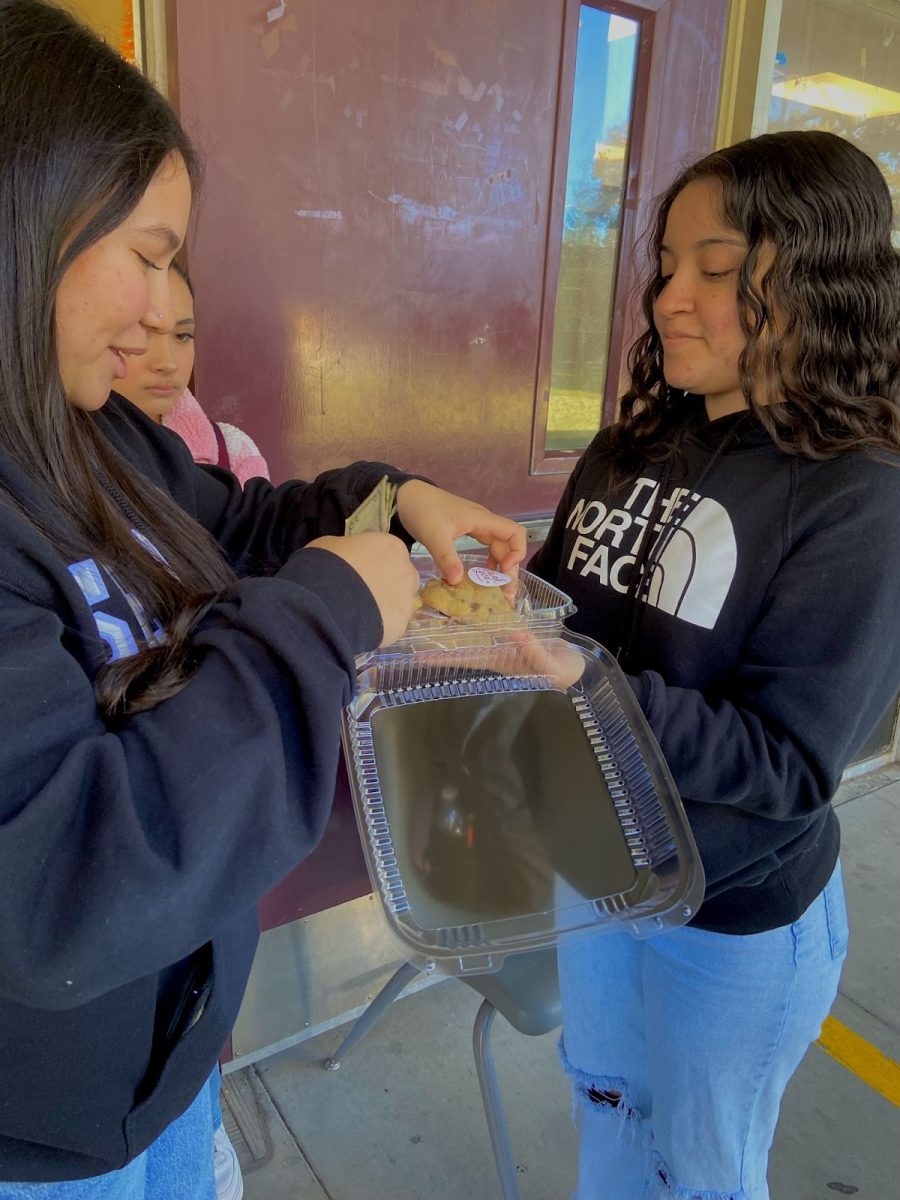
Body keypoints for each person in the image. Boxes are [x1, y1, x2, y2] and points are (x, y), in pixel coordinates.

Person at [0, 2, 526, 1196]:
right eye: (144, 252)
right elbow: (60, 882)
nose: (156, 310)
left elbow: (235, 520)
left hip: (169, 1080)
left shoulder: (86, 432)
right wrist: (330, 613)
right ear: (24, 213)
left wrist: (395, 500)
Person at [528, 130, 900, 1200]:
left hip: (731, 917)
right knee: (603, 1112)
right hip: (596, 873)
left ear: (816, 280)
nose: (667, 299)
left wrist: (581, 687)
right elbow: (556, 609)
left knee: (701, 1171)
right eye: (666, 267)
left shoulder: (859, 496)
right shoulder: (633, 444)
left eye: (718, 270)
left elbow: (789, 764)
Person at [116, 262, 271, 485]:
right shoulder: (61, 463)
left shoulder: (230, 452)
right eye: (142, 333)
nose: (168, 363)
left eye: (182, 336)